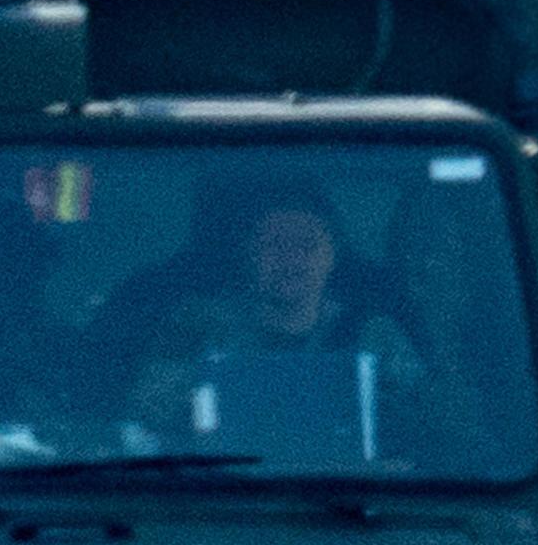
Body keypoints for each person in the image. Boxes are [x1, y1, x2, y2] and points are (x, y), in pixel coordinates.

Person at [135, 194, 436, 456]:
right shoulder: (198, 327)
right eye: (275, 246)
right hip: (220, 499)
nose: (291, 259)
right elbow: (151, 411)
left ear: (331, 258)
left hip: (348, 501)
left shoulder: (374, 336)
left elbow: (424, 428)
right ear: (249, 255)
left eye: (307, 245)